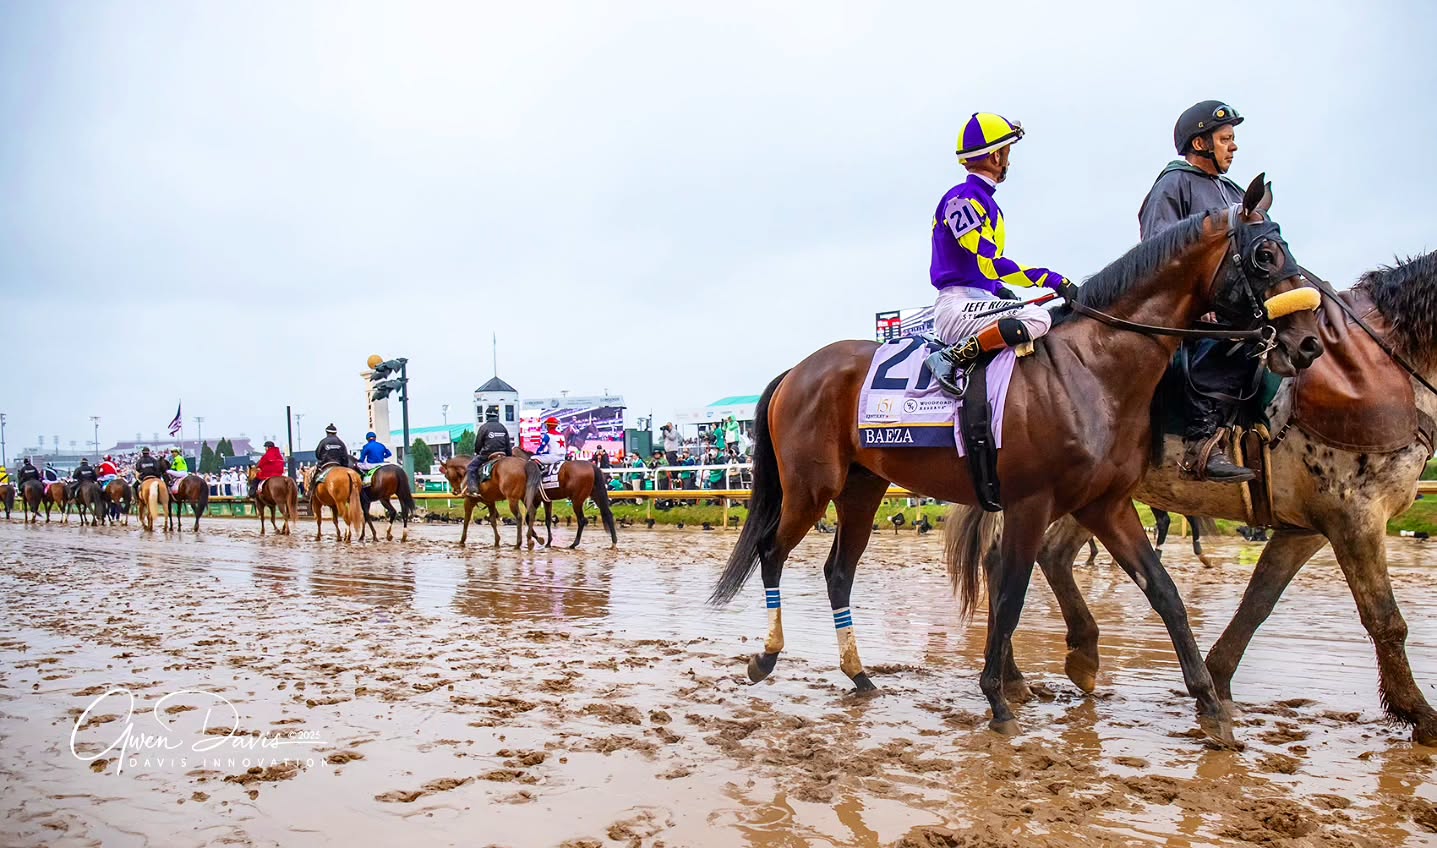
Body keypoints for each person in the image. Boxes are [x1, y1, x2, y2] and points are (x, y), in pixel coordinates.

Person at [1136, 100, 1254, 484]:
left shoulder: (1234, 190)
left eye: (1233, 139)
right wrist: (1199, 308)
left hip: (1241, 306)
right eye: (1226, 139)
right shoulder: (1173, 184)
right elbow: (1158, 254)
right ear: (1201, 144)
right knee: (1228, 346)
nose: (1233, 147)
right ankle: (1200, 443)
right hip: (1192, 315)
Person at [923, 112, 1075, 396]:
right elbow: (989, 263)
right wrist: (1053, 280)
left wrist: (999, 291)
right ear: (995, 157)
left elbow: (981, 271)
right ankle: (951, 356)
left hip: (976, 300)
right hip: (956, 307)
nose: (1008, 160)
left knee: (1037, 314)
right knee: (1037, 319)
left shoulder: (981, 200)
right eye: (1006, 152)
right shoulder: (963, 200)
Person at [464, 410, 514, 495]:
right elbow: (508, 444)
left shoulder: (484, 427)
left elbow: (478, 444)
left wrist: (477, 452)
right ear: (497, 416)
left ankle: (473, 489)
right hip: (503, 455)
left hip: (487, 455)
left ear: (487, 417)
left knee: (471, 467)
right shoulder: (502, 427)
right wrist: (509, 456)